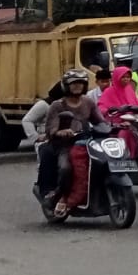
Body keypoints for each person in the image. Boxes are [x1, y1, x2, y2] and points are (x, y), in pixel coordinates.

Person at [46, 69, 106, 217]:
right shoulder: (57, 105)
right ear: (66, 86)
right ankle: (61, 196)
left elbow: (100, 121)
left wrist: (114, 126)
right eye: (74, 84)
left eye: (81, 83)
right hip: (65, 145)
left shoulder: (88, 102)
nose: (77, 86)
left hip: (87, 143)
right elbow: (50, 129)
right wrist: (61, 132)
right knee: (66, 168)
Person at [96, 65, 138, 157]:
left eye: (128, 77)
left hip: (135, 122)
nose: (126, 79)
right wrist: (112, 110)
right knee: (125, 135)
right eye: (123, 77)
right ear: (117, 77)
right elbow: (101, 108)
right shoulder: (108, 92)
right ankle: (127, 158)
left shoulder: (129, 90)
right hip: (117, 124)